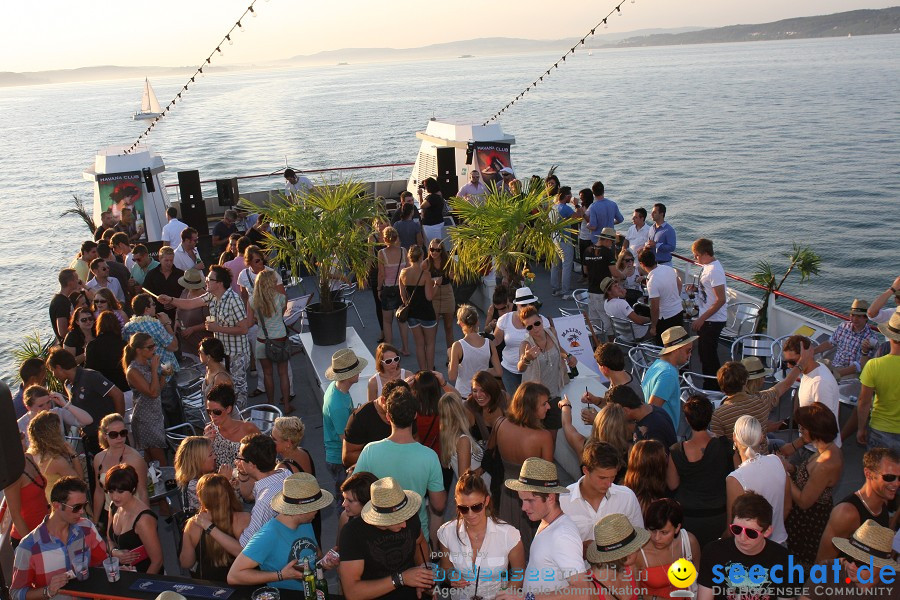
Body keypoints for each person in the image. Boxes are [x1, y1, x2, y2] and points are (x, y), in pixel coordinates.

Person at [354, 388, 447, 543]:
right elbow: (439, 504)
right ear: (415, 415)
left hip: (377, 536)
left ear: (388, 417)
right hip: (416, 537)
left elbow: (355, 494)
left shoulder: (370, 451)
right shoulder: (429, 456)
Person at [160, 265, 252, 409]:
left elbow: (244, 329)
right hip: (222, 354)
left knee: (238, 391)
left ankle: (240, 422)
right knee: (225, 392)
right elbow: (190, 304)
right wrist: (170, 300)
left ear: (219, 283)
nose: (206, 282)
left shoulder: (234, 300)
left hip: (236, 354)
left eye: (209, 279)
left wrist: (217, 328)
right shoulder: (212, 296)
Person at [229, 473, 332, 592]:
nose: (317, 511)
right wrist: (281, 575)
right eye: (315, 506)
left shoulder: (306, 523)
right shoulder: (268, 535)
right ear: (301, 510)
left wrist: (324, 564)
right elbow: (234, 575)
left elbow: (314, 560)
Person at [10, 477, 108, 600]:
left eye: (85, 505)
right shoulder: (29, 546)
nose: (82, 511)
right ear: (56, 505)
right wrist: (48, 591)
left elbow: (102, 563)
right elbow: (16, 594)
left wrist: (118, 567)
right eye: (76, 507)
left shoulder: (86, 528)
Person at [502, 458, 587, 596]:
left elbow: (582, 591)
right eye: (522, 500)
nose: (523, 507)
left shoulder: (563, 535)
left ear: (550, 498)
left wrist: (528, 598)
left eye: (530, 500)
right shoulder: (547, 522)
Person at [338, 477, 433, 600]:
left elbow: (420, 543)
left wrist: (423, 577)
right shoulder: (353, 533)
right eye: (398, 519)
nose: (405, 524)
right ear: (381, 517)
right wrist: (400, 579)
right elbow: (352, 592)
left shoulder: (409, 516)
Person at [437, 471, 526, 599]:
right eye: (463, 508)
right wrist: (451, 576)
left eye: (476, 507)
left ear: (486, 501)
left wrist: (507, 595)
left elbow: (519, 574)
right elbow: (445, 567)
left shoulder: (509, 535)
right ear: (456, 504)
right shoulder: (446, 532)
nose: (470, 514)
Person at [697, 492, 792, 600]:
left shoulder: (782, 558)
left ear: (767, 531)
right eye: (736, 529)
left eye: (751, 533)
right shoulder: (713, 552)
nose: (742, 538)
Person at [667, 395, 734, 548]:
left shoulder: (676, 451)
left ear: (687, 419)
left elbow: (672, 484)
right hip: (718, 516)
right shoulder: (725, 446)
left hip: (688, 518)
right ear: (710, 416)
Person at [780, 403, 842, 567]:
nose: (801, 431)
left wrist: (783, 473)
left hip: (809, 523)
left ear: (815, 430)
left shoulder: (827, 463)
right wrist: (791, 468)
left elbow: (804, 501)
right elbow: (807, 477)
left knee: (798, 567)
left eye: (803, 428)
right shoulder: (823, 449)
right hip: (803, 518)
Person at [494, 382, 554, 552]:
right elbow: (548, 477)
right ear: (530, 407)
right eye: (544, 404)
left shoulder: (500, 423)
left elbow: (491, 451)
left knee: (510, 543)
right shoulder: (543, 437)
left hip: (506, 493)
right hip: (532, 498)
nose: (548, 407)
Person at [815, 447, 899, 563]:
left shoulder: (883, 501)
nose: (896, 483)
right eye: (889, 477)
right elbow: (822, 563)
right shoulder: (846, 513)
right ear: (868, 474)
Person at [560, 441, 643, 547]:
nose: (608, 483)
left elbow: (637, 540)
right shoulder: (563, 501)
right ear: (585, 470)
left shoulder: (627, 497)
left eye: (613, 477)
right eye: (602, 478)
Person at [46, 347, 124, 456]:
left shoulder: (90, 377)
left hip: (110, 436)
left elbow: (118, 395)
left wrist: (118, 424)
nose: (54, 375)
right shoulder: (68, 384)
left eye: (52, 371)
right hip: (92, 437)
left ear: (59, 368)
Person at [726, 416, 790, 545]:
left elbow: (732, 527)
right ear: (761, 437)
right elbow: (787, 506)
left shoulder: (735, 479)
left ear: (734, 437)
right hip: (779, 543)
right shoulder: (777, 461)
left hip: (750, 548)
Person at [802, 520, 899, 600]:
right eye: (848, 557)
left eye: (860, 564)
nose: (851, 566)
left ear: (881, 566)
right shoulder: (826, 571)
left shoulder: (895, 584)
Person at [780, 335, 841, 460]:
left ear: (807, 355)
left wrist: (794, 445)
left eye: (793, 362)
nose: (790, 366)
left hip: (819, 451)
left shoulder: (820, 383)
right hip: (810, 445)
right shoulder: (812, 370)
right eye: (786, 362)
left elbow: (823, 426)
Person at [180, 473, 250, 581]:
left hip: (208, 587)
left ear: (200, 497)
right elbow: (249, 555)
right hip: (240, 583)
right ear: (230, 493)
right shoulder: (244, 519)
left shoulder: (193, 524)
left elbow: (186, 563)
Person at [518, 304, 576, 432]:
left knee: (553, 434)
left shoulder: (552, 332)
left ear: (541, 320)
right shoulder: (526, 344)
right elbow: (520, 368)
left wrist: (568, 355)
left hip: (554, 394)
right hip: (535, 399)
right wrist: (527, 359)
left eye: (537, 323)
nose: (535, 328)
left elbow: (558, 348)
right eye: (529, 327)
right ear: (526, 329)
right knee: (535, 435)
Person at [635, 499, 701, 600]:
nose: (657, 538)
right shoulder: (639, 553)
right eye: (652, 530)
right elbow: (631, 593)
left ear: (677, 528)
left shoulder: (689, 542)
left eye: (664, 532)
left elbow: (701, 581)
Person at [323, 348, 368, 494]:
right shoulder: (338, 405)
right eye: (356, 369)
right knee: (346, 499)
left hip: (336, 454)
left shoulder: (337, 388)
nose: (359, 372)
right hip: (339, 458)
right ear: (347, 376)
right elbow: (346, 439)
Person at [272, 416, 321, 544]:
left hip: (299, 522)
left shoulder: (282, 468)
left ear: (288, 442)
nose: (271, 441)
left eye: (274, 439)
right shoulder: (304, 452)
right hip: (312, 513)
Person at [105, 463, 162, 573]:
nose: (115, 496)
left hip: (146, 574)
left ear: (133, 489)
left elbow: (157, 561)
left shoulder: (143, 519)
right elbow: (109, 540)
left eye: (121, 491)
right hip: (124, 572)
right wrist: (115, 552)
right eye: (111, 491)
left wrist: (142, 584)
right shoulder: (114, 506)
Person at [857, 308, 900, 450]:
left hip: (880, 429)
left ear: (890, 336)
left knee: (876, 471)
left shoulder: (874, 365)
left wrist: (861, 429)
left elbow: (864, 402)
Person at [236, 433, 291, 544]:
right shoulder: (286, 473)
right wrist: (242, 472)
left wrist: (210, 527)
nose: (238, 460)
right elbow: (249, 495)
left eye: (240, 457)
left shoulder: (265, 501)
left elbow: (246, 544)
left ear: (251, 465)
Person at [91, 413, 149, 519]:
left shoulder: (135, 458)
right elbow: (99, 492)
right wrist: (95, 521)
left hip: (132, 514)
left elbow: (143, 492)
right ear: (105, 435)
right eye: (114, 434)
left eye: (123, 433)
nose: (119, 438)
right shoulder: (99, 458)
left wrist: (146, 519)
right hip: (110, 514)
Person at [492, 287, 549, 394]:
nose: (527, 307)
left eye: (530, 304)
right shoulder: (505, 319)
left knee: (533, 404)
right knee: (516, 405)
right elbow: (496, 341)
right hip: (509, 370)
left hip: (535, 370)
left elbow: (551, 344)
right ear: (516, 305)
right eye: (523, 305)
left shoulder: (541, 321)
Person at [122, 332, 167, 465]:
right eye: (150, 347)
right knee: (160, 461)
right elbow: (152, 393)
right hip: (145, 419)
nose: (154, 349)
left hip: (155, 415)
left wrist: (164, 374)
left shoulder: (146, 364)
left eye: (154, 346)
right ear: (138, 350)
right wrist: (154, 369)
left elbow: (158, 390)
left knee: (153, 462)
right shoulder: (133, 371)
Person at [688, 238, 728, 387]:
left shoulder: (715, 271)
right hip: (708, 318)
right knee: (705, 354)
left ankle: (713, 386)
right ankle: (712, 384)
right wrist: (696, 290)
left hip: (713, 320)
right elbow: (710, 291)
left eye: (696, 255)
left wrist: (701, 319)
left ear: (705, 253)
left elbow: (721, 299)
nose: (695, 258)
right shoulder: (707, 267)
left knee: (708, 356)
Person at [250, 269, 290, 411]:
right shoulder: (280, 298)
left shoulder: (252, 300)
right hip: (280, 337)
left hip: (262, 340)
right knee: (283, 373)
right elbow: (282, 314)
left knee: (267, 374)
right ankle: (286, 404)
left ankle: (271, 403)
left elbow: (250, 321)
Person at [643, 325, 696, 432]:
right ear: (676, 349)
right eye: (688, 350)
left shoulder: (657, 365)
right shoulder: (669, 374)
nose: (690, 355)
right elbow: (651, 408)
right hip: (662, 433)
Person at [344, 379, 406, 469]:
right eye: (394, 405)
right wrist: (383, 457)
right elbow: (347, 457)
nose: (398, 410)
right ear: (383, 400)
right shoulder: (360, 418)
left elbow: (415, 438)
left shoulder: (405, 409)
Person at [322, 470, 379, 569]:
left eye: (350, 500)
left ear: (367, 502)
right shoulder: (346, 517)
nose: (344, 504)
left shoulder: (385, 524)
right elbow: (340, 550)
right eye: (344, 498)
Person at [813, 298, 880, 380]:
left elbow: (859, 366)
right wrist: (812, 351)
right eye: (852, 315)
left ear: (866, 318)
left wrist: (836, 374)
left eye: (858, 316)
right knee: (812, 368)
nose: (854, 319)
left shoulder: (871, 338)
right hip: (834, 365)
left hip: (850, 373)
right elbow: (830, 343)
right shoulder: (843, 326)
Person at [4, 430, 48, 549]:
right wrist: (32, 546)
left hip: (45, 529)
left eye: (22, 438)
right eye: (20, 440)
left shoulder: (28, 457)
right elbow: (15, 515)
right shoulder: (12, 473)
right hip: (27, 537)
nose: (24, 442)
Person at [204, 383, 260, 472]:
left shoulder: (248, 429)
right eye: (209, 411)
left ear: (229, 409)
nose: (212, 415)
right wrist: (206, 444)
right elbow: (205, 466)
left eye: (217, 412)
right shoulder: (210, 431)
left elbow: (264, 456)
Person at [17, 385, 93, 449]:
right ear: (28, 407)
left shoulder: (57, 412)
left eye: (48, 402)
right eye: (41, 405)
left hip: (64, 461)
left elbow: (87, 421)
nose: (47, 408)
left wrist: (65, 405)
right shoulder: (20, 425)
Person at [449, 304, 501, 396]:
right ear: (477, 322)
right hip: (483, 393)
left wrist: (450, 359)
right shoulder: (489, 343)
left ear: (461, 323)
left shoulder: (457, 346)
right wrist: (484, 371)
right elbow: (498, 372)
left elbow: (452, 376)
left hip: (464, 395)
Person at [400, 245, 438, 371]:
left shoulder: (403, 273)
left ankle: (422, 371)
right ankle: (430, 371)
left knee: (419, 344)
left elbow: (403, 296)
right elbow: (429, 297)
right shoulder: (425, 274)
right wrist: (436, 285)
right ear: (421, 256)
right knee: (430, 343)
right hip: (426, 313)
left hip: (412, 314)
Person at [607, 385, 677, 448]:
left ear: (625, 410)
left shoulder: (652, 431)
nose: (614, 416)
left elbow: (655, 460)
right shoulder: (653, 410)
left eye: (615, 413)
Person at [378, 226, 411, 356]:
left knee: (387, 321)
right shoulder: (403, 251)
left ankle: (390, 351)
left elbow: (381, 274)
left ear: (385, 239)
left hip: (387, 288)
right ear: (396, 237)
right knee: (402, 320)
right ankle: (405, 348)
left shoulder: (382, 253)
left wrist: (378, 289)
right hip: (401, 288)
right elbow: (407, 270)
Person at [438, 392, 484, 484]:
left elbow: (445, 464)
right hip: (478, 490)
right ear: (460, 410)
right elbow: (464, 478)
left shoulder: (447, 436)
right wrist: (485, 467)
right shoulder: (463, 440)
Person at [639, 249, 683, 343]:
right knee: (678, 344)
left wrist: (653, 326)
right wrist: (674, 298)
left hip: (666, 318)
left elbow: (655, 307)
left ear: (642, 264)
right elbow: (679, 284)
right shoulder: (669, 269)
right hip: (678, 312)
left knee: (664, 348)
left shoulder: (652, 281)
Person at [584, 227, 621, 337]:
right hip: (603, 293)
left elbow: (585, 271)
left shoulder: (588, 250)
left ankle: (597, 348)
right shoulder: (607, 252)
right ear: (607, 240)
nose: (612, 244)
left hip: (591, 292)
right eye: (612, 242)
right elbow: (614, 273)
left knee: (594, 324)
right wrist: (624, 275)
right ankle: (611, 350)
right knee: (609, 323)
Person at [624, 440, 669, 517]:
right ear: (657, 465)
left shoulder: (623, 494)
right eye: (664, 456)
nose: (667, 458)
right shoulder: (657, 506)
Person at [424, 239, 457, 348]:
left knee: (449, 327)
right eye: (432, 249)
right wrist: (433, 281)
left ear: (442, 251)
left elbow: (457, 276)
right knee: (433, 330)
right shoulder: (426, 263)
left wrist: (453, 275)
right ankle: (430, 361)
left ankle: (451, 357)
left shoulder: (449, 261)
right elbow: (421, 279)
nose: (434, 252)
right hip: (434, 294)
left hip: (447, 293)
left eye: (437, 250)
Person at [141, 246, 184, 321]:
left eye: (171, 260)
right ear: (160, 259)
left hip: (178, 315)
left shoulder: (180, 274)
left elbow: (186, 294)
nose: (169, 263)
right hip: (157, 316)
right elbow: (146, 293)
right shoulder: (151, 275)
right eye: (166, 260)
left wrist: (174, 302)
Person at [550, 186, 578, 299]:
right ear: (566, 196)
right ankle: (565, 291)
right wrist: (576, 205)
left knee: (555, 265)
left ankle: (555, 288)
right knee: (566, 265)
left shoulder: (554, 207)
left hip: (554, 239)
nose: (571, 197)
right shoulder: (565, 208)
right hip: (564, 240)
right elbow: (578, 217)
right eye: (570, 196)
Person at [174, 435, 215, 512]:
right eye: (210, 455)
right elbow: (216, 506)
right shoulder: (194, 485)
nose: (214, 457)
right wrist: (224, 481)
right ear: (197, 461)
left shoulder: (201, 476)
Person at [175, 268, 210, 357]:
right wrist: (177, 320)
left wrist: (192, 329)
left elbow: (210, 323)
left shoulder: (205, 298)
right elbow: (179, 306)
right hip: (184, 344)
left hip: (199, 344)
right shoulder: (185, 291)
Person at [50, 268, 86, 344]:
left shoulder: (64, 299)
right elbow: (62, 332)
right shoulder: (61, 303)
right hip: (70, 344)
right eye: (76, 279)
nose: (79, 281)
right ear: (70, 283)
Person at [419, 177, 446, 247]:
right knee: (437, 243)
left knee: (432, 245)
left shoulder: (431, 198)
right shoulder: (439, 195)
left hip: (431, 225)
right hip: (438, 222)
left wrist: (420, 195)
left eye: (425, 187)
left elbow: (422, 206)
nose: (425, 188)